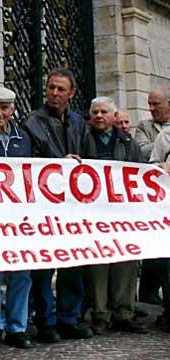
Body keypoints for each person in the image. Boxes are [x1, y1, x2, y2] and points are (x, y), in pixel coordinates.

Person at [21, 67, 93, 343]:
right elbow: (29, 162)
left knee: (73, 264)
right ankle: (46, 320)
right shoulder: (32, 121)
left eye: (61, 89)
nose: (54, 93)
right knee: (43, 267)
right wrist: (58, 163)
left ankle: (68, 318)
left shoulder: (78, 123)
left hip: (72, 207)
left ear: (71, 94)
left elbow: (91, 160)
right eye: (51, 87)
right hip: (44, 207)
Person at [81, 96, 147, 335]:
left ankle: (124, 313)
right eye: (95, 112)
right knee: (99, 263)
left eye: (104, 112)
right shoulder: (82, 140)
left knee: (126, 262)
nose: (99, 116)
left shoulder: (128, 143)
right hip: (94, 213)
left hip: (123, 214)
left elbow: (140, 173)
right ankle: (100, 313)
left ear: (114, 116)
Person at [0, 87, 34, 349]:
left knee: (22, 272)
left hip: (18, 216)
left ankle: (17, 326)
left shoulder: (23, 138)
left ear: (12, 110)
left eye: (4, 108)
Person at [136, 88, 170, 305]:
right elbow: (148, 161)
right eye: (149, 104)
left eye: (156, 104)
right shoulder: (162, 135)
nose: (151, 109)